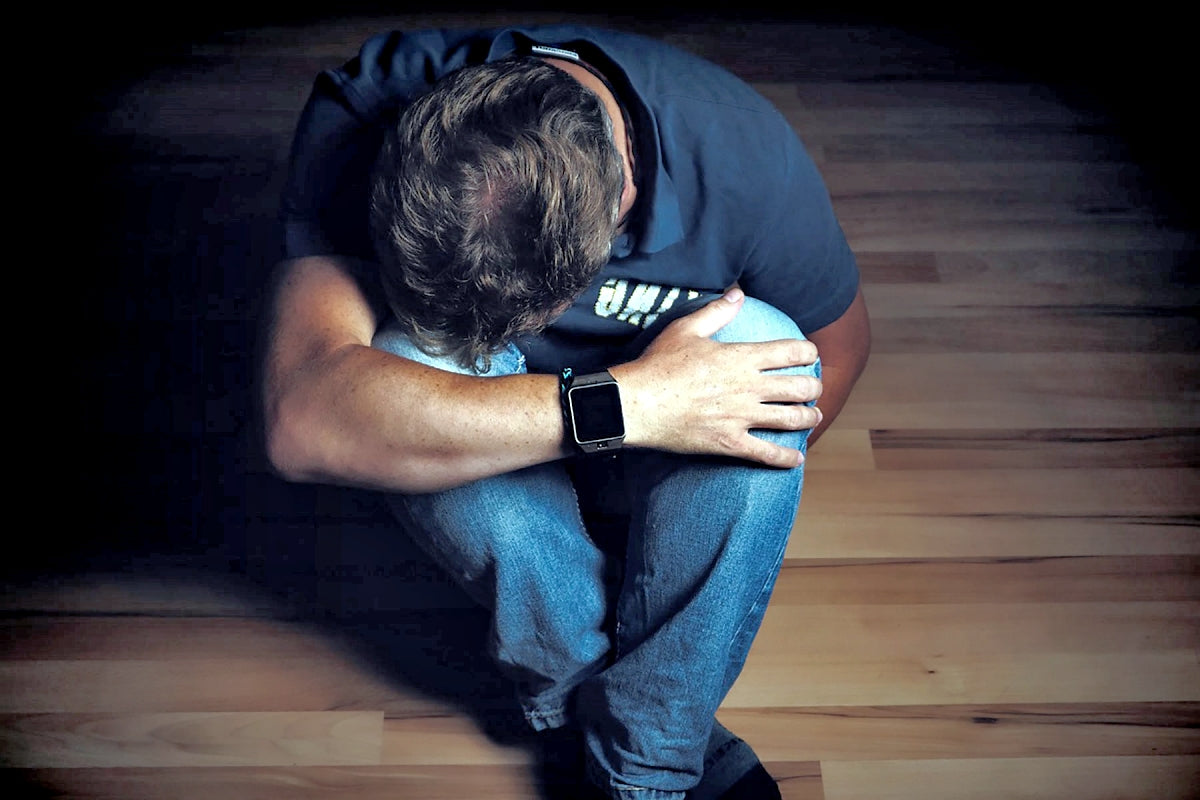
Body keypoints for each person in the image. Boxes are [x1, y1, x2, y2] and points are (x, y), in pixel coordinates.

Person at [262, 23, 870, 800]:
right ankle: (594, 705)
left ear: (622, 203)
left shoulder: (744, 157)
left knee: (764, 346)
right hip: (579, 425)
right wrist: (632, 406)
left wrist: (667, 490)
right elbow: (301, 419)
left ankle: (645, 757)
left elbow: (838, 349)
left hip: (655, 436)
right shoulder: (363, 111)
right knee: (406, 358)